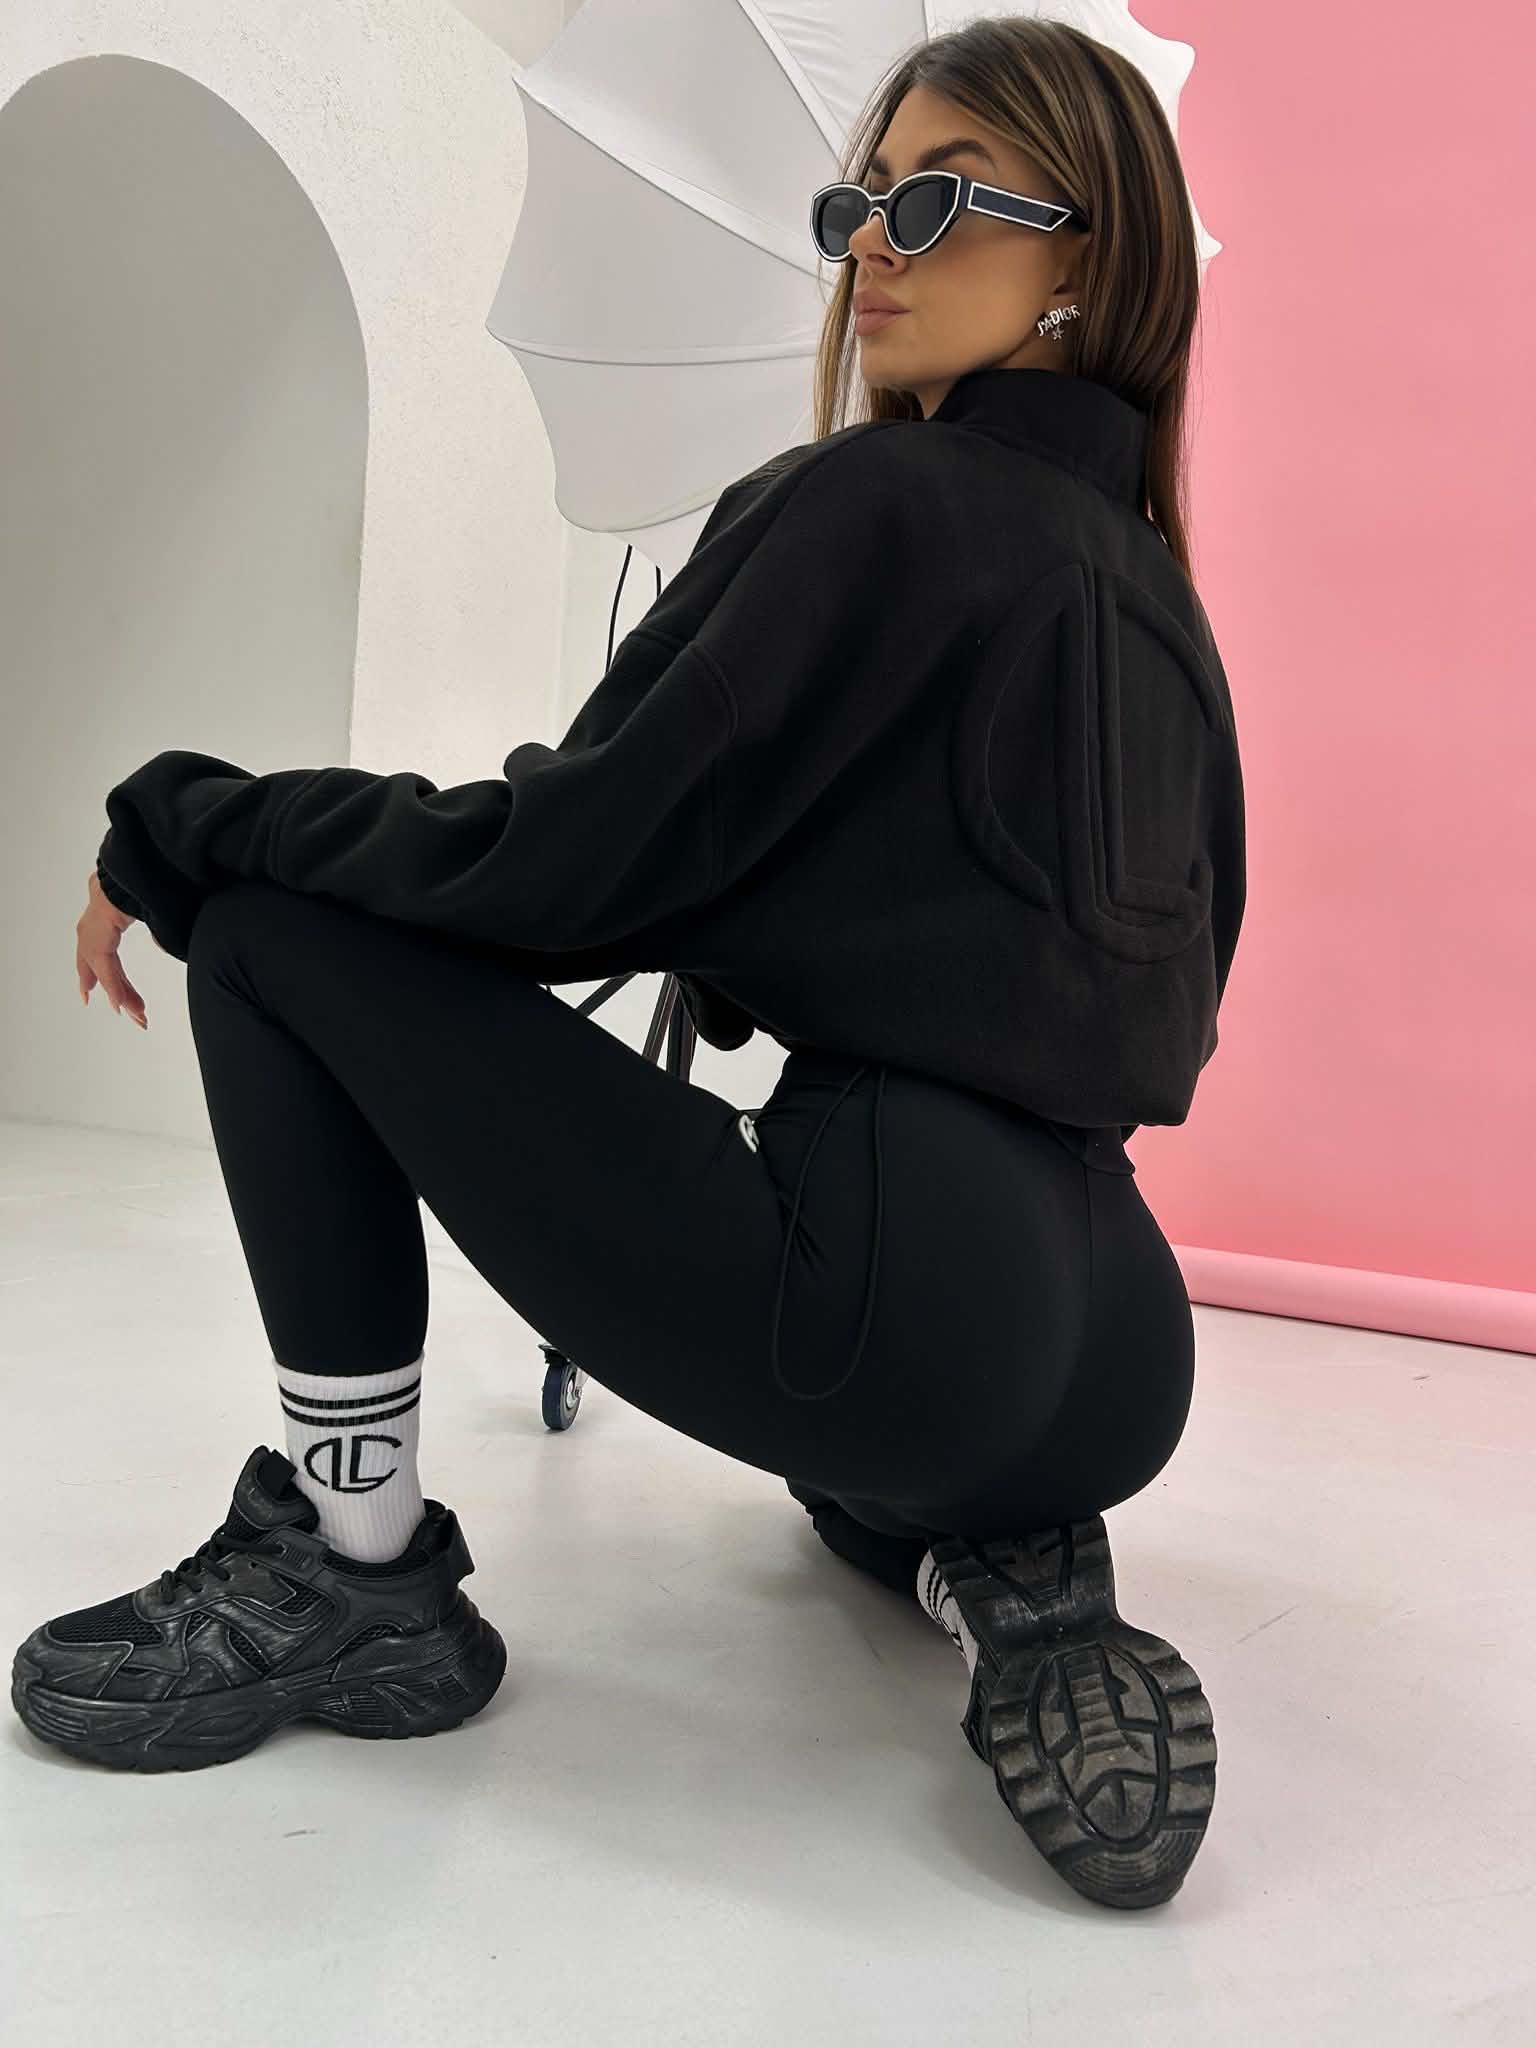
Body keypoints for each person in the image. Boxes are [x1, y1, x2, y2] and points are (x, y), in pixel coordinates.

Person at [13, 17, 1239, 1911]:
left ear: (1086, 253)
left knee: (264, 931)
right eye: (857, 205)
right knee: (901, 1408)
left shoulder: (868, 500)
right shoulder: (1164, 604)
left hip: (891, 1313)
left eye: (937, 200)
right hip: (1120, 1359)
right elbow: (1160, 1005)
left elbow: (552, 875)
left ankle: (356, 1569)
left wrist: (186, 818)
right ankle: (981, 1535)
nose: (872, 246)